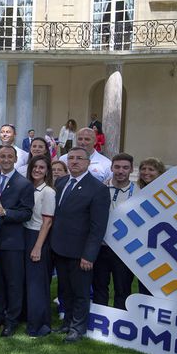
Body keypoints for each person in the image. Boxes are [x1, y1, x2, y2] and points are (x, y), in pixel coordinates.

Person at [50, 147, 109, 343]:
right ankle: (66, 323)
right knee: (65, 290)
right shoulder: (61, 182)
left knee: (80, 292)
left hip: (80, 252)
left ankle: (78, 328)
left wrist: (89, 255)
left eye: (79, 158)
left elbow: (98, 227)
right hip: (60, 248)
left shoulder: (98, 189)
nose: (74, 161)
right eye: (71, 158)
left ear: (88, 163)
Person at [0, 145, 34, 336]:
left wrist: (6, 212)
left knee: (13, 283)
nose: (5, 160)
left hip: (12, 242)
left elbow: (27, 213)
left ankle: (12, 320)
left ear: (15, 159)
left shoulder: (24, 184)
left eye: (9, 156)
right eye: (2, 156)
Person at [93, 153, 137, 309]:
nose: (120, 171)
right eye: (117, 167)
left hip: (124, 250)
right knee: (99, 287)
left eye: (125, 167)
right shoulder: (99, 188)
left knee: (123, 289)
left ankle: (121, 319)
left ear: (131, 169)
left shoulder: (138, 192)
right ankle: (100, 318)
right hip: (101, 247)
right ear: (111, 168)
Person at [23, 155, 56, 336]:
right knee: (27, 282)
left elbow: (47, 222)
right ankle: (28, 317)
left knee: (37, 284)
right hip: (25, 235)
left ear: (47, 171)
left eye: (41, 167)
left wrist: (37, 247)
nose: (37, 170)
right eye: (35, 167)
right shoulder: (28, 188)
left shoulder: (48, 192)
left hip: (38, 237)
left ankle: (40, 325)